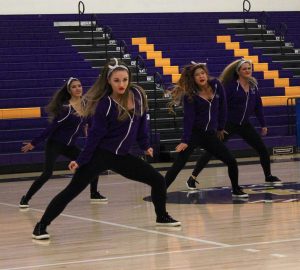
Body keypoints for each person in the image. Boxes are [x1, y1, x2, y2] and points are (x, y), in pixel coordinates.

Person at [32, 58, 181, 240]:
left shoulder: (138, 94)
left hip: (122, 156)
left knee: (158, 180)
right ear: (109, 81)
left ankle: (162, 216)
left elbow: (141, 122)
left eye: (125, 79)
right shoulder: (105, 104)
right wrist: (80, 160)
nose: (121, 84)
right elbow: (94, 137)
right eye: (117, 80)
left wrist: (145, 144)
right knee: (72, 190)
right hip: (100, 155)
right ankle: (41, 226)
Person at [186, 59, 282, 190]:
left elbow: (258, 106)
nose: (248, 70)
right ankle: (192, 178)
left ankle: (268, 175)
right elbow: (220, 106)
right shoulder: (230, 87)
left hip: (245, 125)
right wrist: (218, 124)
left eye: (249, 68)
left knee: (263, 149)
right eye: (245, 69)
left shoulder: (253, 86)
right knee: (211, 151)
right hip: (228, 124)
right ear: (238, 72)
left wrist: (263, 124)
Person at [19, 77, 107, 209]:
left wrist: (92, 140)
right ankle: (26, 198)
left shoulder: (85, 105)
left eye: (79, 86)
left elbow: (88, 124)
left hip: (69, 146)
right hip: (55, 144)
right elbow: (51, 127)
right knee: (47, 173)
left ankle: (94, 194)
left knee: (91, 164)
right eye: (74, 87)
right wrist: (34, 143)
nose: (78, 88)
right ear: (69, 90)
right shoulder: (66, 108)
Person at [165, 62, 248, 198]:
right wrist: (185, 140)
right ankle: (160, 191)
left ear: (206, 74)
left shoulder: (216, 85)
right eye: (197, 75)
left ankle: (236, 189)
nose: (201, 76)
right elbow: (188, 119)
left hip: (210, 134)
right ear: (193, 78)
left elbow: (223, 107)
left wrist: (220, 127)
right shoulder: (190, 95)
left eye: (202, 73)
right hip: (194, 134)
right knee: (178, 164)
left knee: (231, 161)